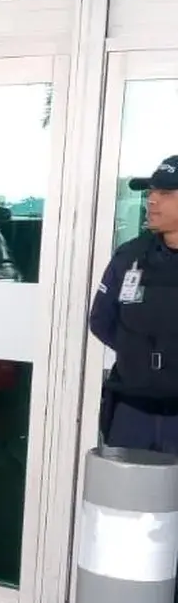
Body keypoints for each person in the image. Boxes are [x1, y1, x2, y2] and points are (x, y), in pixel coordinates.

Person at [91, 155, 178, 453]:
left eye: (165, 193)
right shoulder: (130, 256)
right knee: (123, 499)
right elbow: (102, 321)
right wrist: (141, 352)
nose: (152, 200)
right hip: (131, 413)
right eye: (151, 191)